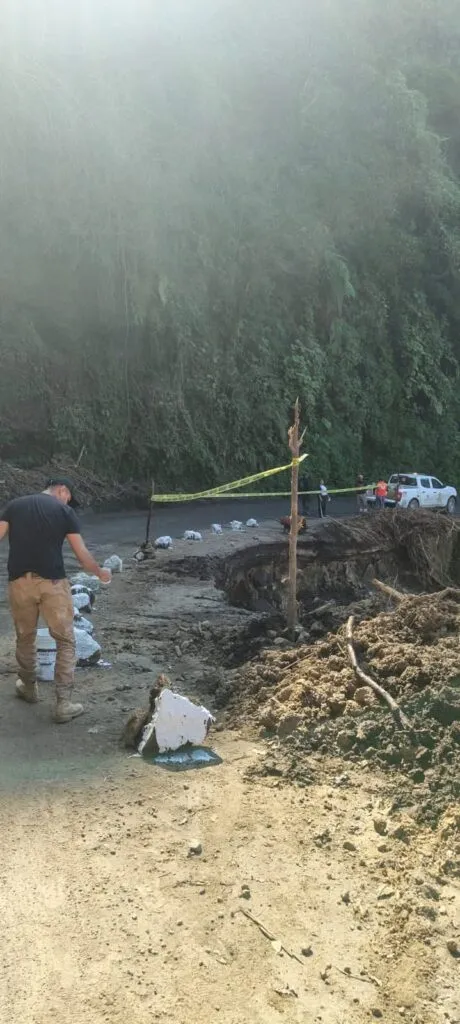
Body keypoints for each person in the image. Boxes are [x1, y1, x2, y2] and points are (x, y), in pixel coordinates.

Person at [0, 477, 111, 724]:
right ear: (62, 490)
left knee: (25, 637)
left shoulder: (14, 506)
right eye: (69, 497)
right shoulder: (64, 511)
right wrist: (100, 572)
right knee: (65, 641)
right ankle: (63, 704)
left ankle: (29, 688)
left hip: (20, 583)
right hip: (53, 584)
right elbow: (81, 555)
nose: (68, 502)